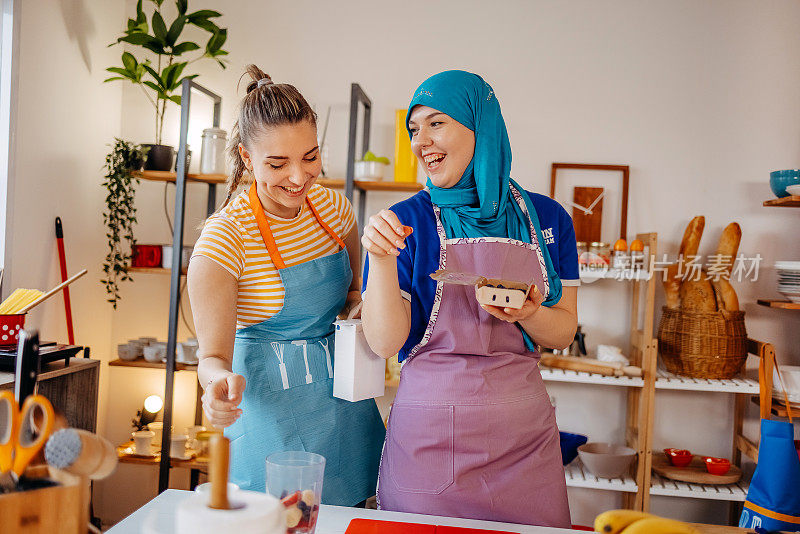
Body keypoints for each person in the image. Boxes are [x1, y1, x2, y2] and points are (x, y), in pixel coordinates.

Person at [360, 70, 579, 527]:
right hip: (430, 442)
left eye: (436, 123)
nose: (421, 141)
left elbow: (562, 332)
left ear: (481, 126)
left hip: (524, 444)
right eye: (414, 129)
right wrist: (380, 260)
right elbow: (384, 342)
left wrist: (531, 312)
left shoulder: (546, 217)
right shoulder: (403, 221)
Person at [188, 65, 385, 505]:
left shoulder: (334, 210)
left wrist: (360, 308)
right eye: (277, 164)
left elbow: (352, 294)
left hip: (344, 407)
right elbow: (213, 357)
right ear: (245, 157)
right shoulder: (224, 238)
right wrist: (216, 384)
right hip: (269, 419)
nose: (299, 177)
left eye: (310, 157)